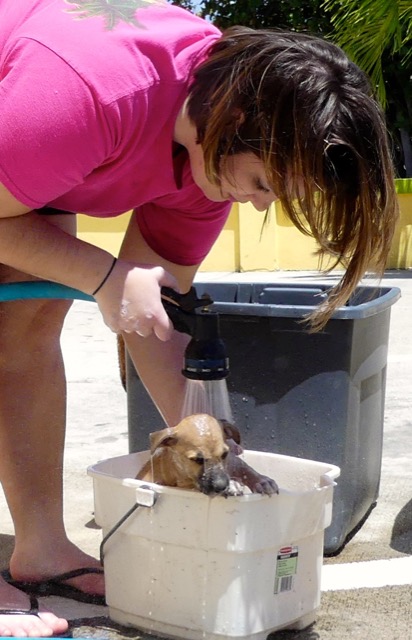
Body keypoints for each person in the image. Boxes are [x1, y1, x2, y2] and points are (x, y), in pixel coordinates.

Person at [0, 0, 398, 636]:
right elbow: (111, 282)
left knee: (28, 319)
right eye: (264, 182)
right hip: (32, 107)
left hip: (24, 149)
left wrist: (219, 445)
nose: (259, 204)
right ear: (238, 117)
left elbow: (151, 322)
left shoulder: (208, 164)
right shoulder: (90, 94)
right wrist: (105, 276)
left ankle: (40, 548)